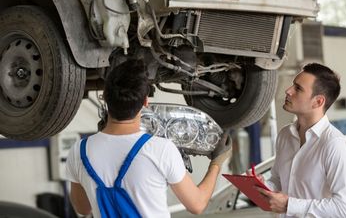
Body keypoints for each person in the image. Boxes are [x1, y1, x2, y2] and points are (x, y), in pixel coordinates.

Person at [65, 59, 232, 217]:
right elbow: (197, 204)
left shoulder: (79, 151)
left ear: (105, 98)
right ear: (145, 102)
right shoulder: (160, 149)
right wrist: (216, 163)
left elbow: (82, 208)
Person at [257, 63, 346, 217]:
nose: (288, 91)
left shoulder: (335, 144)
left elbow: (344, 209)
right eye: (292, 85)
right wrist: (262, 184)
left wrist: (290, 205)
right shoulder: (285, 135)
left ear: (318, 102)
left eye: (298, 88)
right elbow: (278, 180)